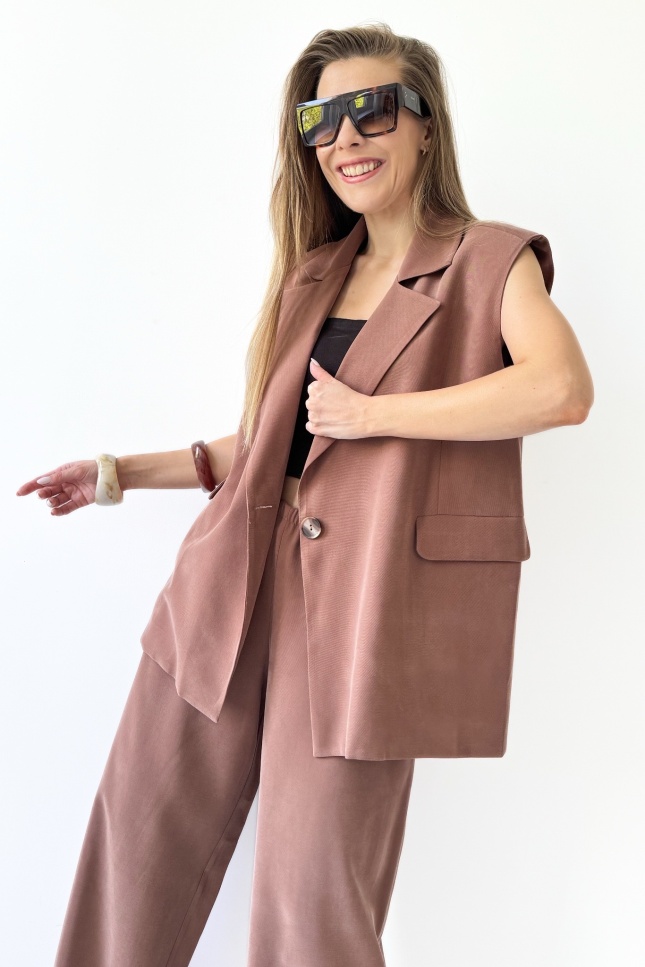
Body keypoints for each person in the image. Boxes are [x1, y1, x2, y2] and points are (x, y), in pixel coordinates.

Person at [16, 23, 594, 967]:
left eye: (371, 109)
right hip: (230, 583)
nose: (345, 137)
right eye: (321, 120)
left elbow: (560, 388)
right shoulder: (315, 272)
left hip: (366, 603)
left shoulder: (490, 259)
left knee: (312, 891)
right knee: (136, 846)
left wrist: (376, 417)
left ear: (425, 125)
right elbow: (272, 440)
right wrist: (116, 472)